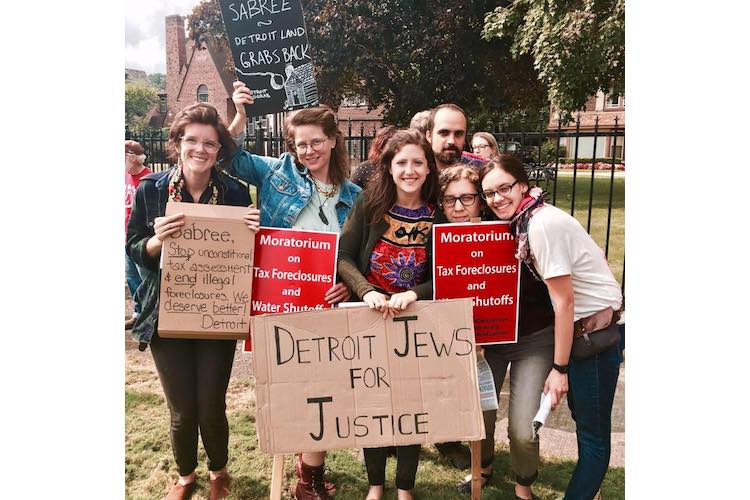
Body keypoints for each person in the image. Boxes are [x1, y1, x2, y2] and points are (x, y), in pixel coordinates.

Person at [228, 80, 362, 500]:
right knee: (291, 390)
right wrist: (240, 113)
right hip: (281, 299)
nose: (308, 151)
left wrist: (347, 283)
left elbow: (357, 253)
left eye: (316, 142)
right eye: (300, 144)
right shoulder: (275, 171)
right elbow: (229, 155)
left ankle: (309, 477)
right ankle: (307, 477)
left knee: (324, 389)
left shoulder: (354, 195)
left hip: (328, 303)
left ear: (333, 140)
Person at [126, 103, 260, 500]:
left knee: (212, 405)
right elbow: (132, 246)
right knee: (182, 409)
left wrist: (254, 229)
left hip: (217, 312)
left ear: (219, 149)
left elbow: (245, 253)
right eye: (192, 141)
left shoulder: (235, 191)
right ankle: (186, 476)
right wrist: (155, 239)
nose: (200, 149)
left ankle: (219, 471)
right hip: (165, 312)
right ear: (177, 144)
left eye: (210, 143)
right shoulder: (151, 190)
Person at [480, 154, 623, 500]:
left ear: (523, 184)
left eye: (504, 188)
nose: (497, 198)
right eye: (489, 193)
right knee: (585, 425)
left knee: (592, 436)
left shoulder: (540, 224)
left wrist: (558, 369)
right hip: (585, 332)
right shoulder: (531, 218)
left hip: (592, 338)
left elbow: (564, 302)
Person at [435, 165, 556, 499]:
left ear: (481, 201)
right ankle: (483, 468)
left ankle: (523, 483)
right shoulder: (442, 241)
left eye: (467, 198)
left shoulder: (518, 227)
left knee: (522, 426)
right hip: (484, 345)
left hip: (533, 339)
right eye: (449, 200)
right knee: (480, 415)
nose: (459, 207)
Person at [337, 129, 439, 500]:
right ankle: (376, 485)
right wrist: (366, 292)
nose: (409, 170)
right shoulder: (369, 204)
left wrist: (414, 294)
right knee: (374, 403)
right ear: (389, 167)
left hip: (418, 319)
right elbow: (344, 257)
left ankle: (405, 487)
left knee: (411, 404)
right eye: (402, 163)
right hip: (372, 317)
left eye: (417, 162)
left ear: (428, 168)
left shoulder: (439, 212)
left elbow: (449, 272)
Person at [125, 140, 151, 330]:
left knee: (145, 279)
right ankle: (138, 312)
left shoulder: (149, 179)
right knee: (131, 277)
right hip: (125, 237)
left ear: (132, 157)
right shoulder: (123, 177)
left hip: (142, 240)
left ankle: (149, 315)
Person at [425, 103, 485, 171]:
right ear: (429, 136)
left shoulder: (483, 173)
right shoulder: (416, 174)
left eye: (458, 134)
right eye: (444, 133)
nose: (452, 141)